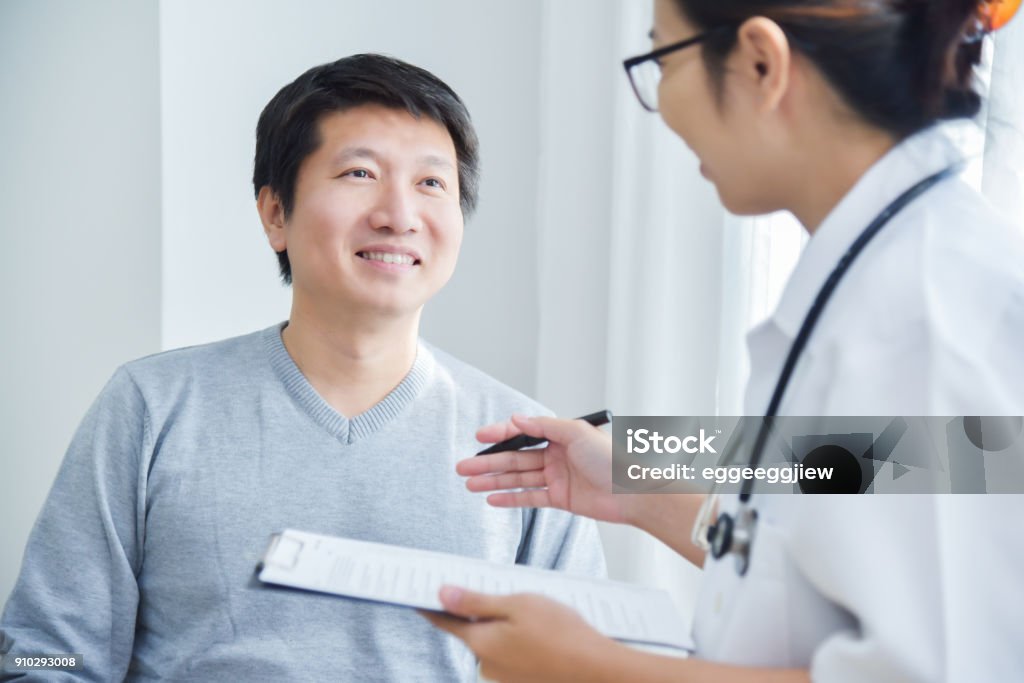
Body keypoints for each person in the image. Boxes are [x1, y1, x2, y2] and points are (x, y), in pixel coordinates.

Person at [424, 1, 1024, 681]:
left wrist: (592, 667)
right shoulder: (876, 277)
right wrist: (640, 489)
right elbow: (823, 552)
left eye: (661, 61)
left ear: (761, 63)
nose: (664, 108)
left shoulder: (933, 318)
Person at [0, 54, 605, 681]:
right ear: (275, 214)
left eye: (432, 184)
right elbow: (45, 653)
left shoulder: (529, 443)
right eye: (359, 172)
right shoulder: (151, 406)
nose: (399, 215)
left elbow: (589, 667)